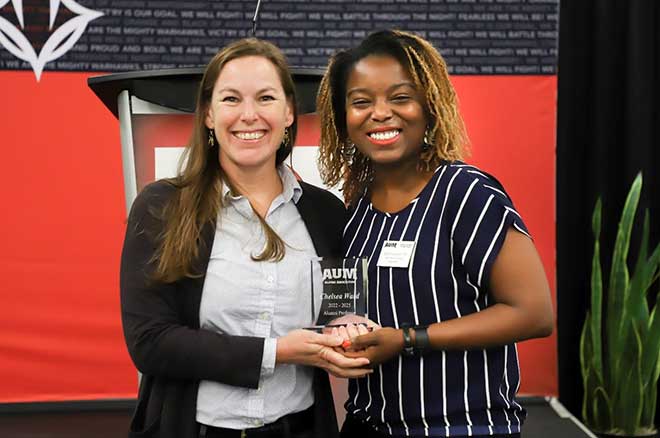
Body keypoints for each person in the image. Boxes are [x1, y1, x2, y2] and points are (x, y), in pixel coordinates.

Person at [120, 38, 372, 438]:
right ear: (208, 113)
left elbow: (339, 308)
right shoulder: (161, 206)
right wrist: (276, 352)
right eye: (231, 99)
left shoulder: (326, 212)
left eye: (266, 98)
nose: (249, 115)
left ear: (289, 111)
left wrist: (347, 328)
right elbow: (150, 342)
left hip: (301, 427)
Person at [316, 30, 554, 438]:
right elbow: (345, 312)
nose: (380, 113)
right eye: (361, 102)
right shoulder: (352, 210)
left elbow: (533, 314)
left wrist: (408, 339)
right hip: (367, 424)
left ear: (429, 106)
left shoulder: (467, 193)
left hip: (460, 427)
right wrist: (338, 335)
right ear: (342, 117)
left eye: (400, 98)